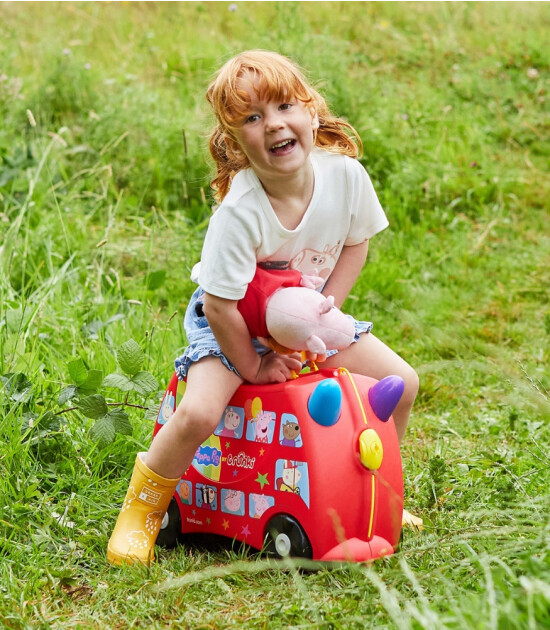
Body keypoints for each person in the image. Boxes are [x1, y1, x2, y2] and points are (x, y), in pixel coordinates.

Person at [107, 50, 420, 566]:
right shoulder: (241, 211)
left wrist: (325, 310)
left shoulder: (345, 177)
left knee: (402, 382)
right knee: (201, 411)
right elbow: (220, 303)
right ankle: (141, 511)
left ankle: (378, 496)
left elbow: (357, 242)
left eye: (283, 106)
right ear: (236, 143)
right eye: (252, 119)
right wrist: (253, 365)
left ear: (311, 113)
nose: (273, 124)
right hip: (233, 324)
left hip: (304, 316)